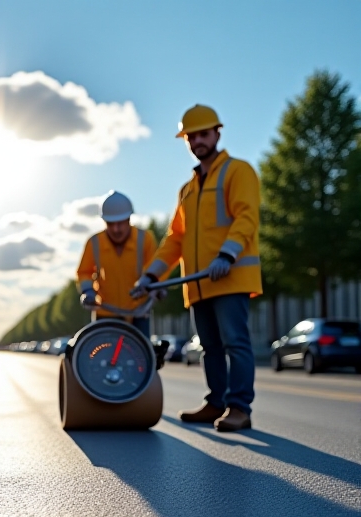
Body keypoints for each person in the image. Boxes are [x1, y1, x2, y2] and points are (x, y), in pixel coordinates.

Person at [131, 104, 262, 432]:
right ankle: (216, 402)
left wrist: (227, 255)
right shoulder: (187, 190)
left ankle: (239, 407)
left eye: (203, 134)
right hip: (199, 284)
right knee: (210, 347)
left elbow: (246, 217)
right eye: (191, 136)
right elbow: (174, 239)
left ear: (218, 133)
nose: (197, 141)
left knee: (235, 343)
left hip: (228, 277)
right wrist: (151, 276)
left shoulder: (237, 171)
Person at [77, 191, 161, 339]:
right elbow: (84, 272)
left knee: (142, 356)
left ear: (129, 219)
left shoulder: (145, 239)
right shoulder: (94, 243)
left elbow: (156, 269)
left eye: (120, 223)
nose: (116, 229)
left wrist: (156, 287)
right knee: (102, 356)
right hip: (105, 313)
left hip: (138, 313)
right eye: (111, 224)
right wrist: (88, 290)